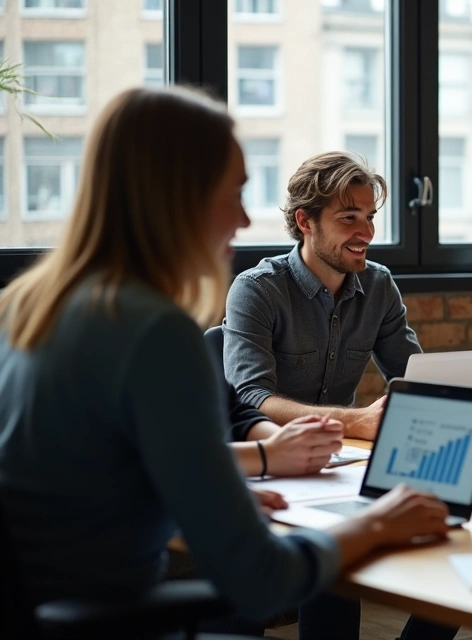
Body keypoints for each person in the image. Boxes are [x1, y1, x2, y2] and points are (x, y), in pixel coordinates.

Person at [0, 86, 449, 627]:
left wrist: (197, 497)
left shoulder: (28, 306)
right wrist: (378, 524)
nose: (243, 219)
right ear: (176, 199)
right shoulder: (156, 333)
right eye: (232, 192)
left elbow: (82, 483)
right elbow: (261, 579)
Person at [224, 151, 422, 441]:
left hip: (344, 453)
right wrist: (354, 421)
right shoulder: (257, 290)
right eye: (349, 218)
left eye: (369, 217)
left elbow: (413, 377)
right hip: (273, 452)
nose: (367, 233)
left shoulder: (378, 285)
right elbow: (251, 399)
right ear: (305, 222)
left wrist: (464, 404)